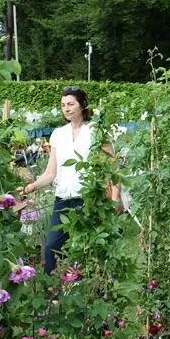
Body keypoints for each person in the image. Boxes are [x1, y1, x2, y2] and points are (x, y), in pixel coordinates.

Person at [17, 86, 119, 275]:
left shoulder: (96, 131)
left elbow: (112, 168)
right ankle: (52, 293)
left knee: (89, 248)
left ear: (82, 105)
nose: (67, 109)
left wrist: (115, 198)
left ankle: (93, 289)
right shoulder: (58, 134)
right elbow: (50, 173)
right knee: (52, 246)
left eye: (71, 104)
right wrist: (29, 188)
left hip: (89, 199)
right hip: (63, 199)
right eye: (63, 105)